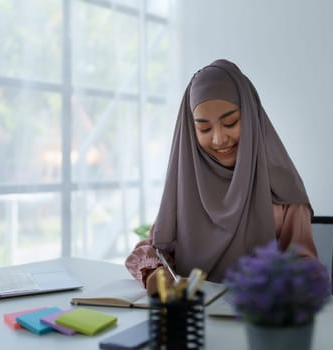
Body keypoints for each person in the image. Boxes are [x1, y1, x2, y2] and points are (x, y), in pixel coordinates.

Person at [125, 59, 317, 294]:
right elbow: (149, 250)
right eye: (204, 129)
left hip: (259, 322)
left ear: (251, 117)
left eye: (230, 123)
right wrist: (154, 272)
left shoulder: (281, 188)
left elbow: (307, 269)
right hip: (191, 319)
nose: (219, 139)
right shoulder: (186, 186)